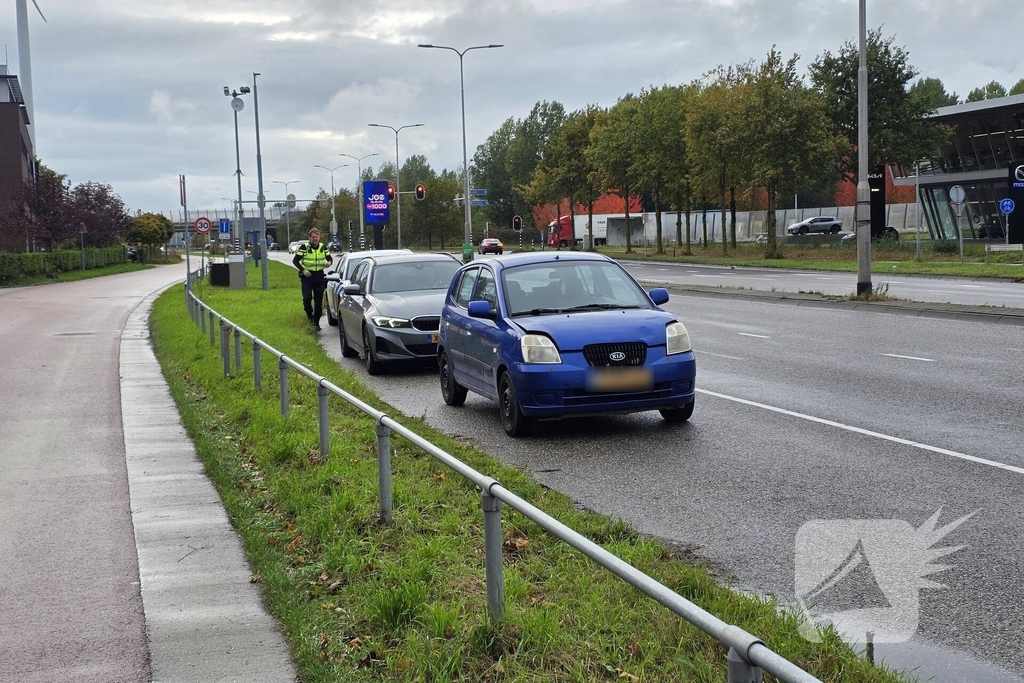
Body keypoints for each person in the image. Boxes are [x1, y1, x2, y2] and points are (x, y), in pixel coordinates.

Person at [292, 229, 333, 330]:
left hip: (319, 277)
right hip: (307, 277)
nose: (315, 239)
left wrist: (329, 263)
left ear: (319, 237)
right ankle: (309, 316)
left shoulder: (323, 247)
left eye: (317, 237)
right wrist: (303, 270)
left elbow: (330, 258)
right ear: (309, 238)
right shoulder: (304, 247)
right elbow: (295, 260)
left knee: (318, 301)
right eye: (313, 237)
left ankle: (316, 322)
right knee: (307, 298)